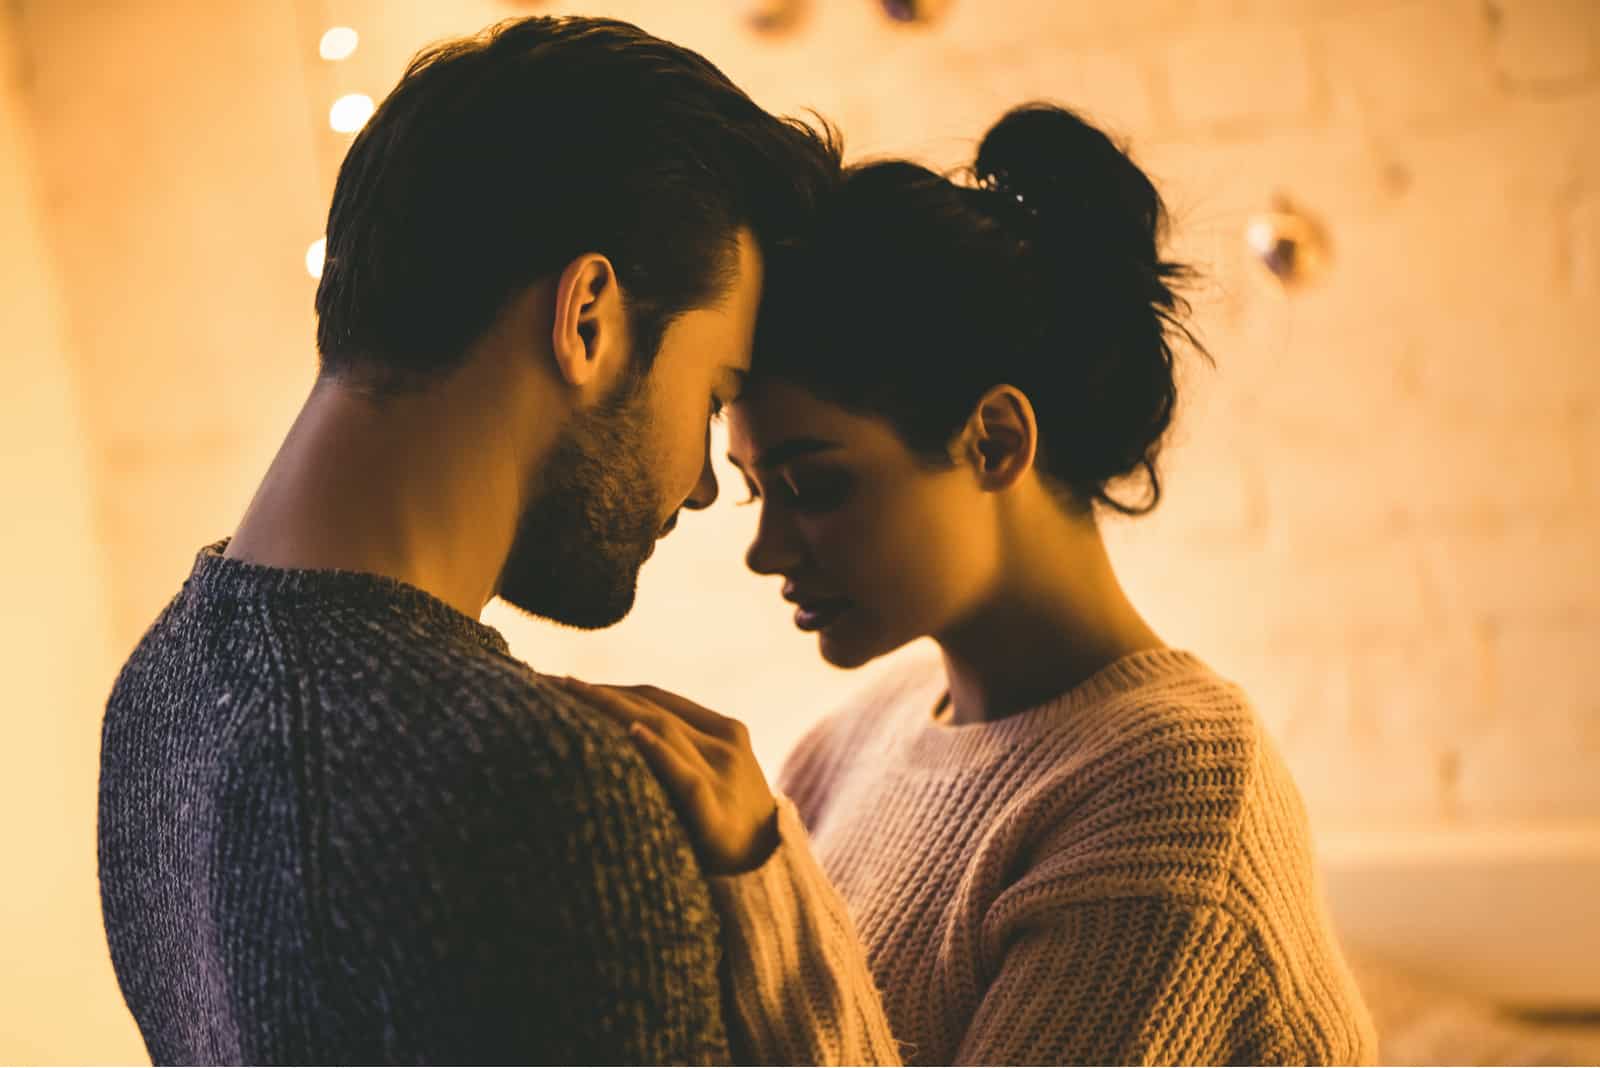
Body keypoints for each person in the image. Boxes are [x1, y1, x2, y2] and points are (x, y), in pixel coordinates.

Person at [569, 104, 1380, 1065]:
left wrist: (759, 878)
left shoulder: (1173, 797)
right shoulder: (852, 745)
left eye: (813, 486)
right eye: (756, 491)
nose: (767, 550)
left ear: (994, 441)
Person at [96, 15, 839, 1064]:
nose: (707, 484)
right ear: (587, 318)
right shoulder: (540, 791)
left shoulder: (157, 691)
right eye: (712, 397)